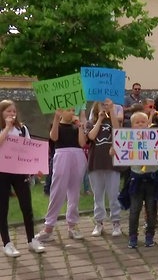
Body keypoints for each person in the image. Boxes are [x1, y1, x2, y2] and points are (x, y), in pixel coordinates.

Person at [35, 108, 88, 242]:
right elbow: (54, 137)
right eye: (68, 110)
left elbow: (82, 143)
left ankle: (72, 225)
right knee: (57, 190)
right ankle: (49, 227)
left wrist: (81, 126)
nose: (71, 112)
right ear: (62, 112)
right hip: (62, 155)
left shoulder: (76, 126)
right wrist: (56, 118)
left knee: (74, 192)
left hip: (77, 155)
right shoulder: (57, 125)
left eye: (73, 110)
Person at [0, 100, 45, 256]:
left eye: (14, 111)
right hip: (2, 172)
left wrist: (36, 168)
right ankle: (7, 243)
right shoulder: (2, 129)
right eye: (8, 111)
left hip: (19, 172)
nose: (12, 114)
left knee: (26, 206)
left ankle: (31, 239)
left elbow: (29, 149)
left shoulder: (22, 129)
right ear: (1, 113)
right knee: (2, 208)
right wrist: (6, 127)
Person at [122, 112, 158, 248]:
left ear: (148, 124)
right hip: (136, 179)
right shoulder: (128, 140)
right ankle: (132, 236)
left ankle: (149, 235)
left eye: (143, 122)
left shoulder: (155, 138)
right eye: (137, 122)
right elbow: (117, 151)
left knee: (151, 209)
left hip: (152, 179)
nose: (140, 124)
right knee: (135, 209)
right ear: (132, 126)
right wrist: (115, 150)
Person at [86, 100, 123, 238]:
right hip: (95, 162)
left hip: (112, 163)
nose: (104, 106)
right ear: (96, 106)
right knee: (98, 195)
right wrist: (100, 119)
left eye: (106, 104)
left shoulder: (112, 120)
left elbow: (117, 131)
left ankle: (116, 222)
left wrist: (112, 110)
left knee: (114, 194)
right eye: (102, 104)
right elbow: (91, 136)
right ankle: (99, 222)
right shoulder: (91, 123)